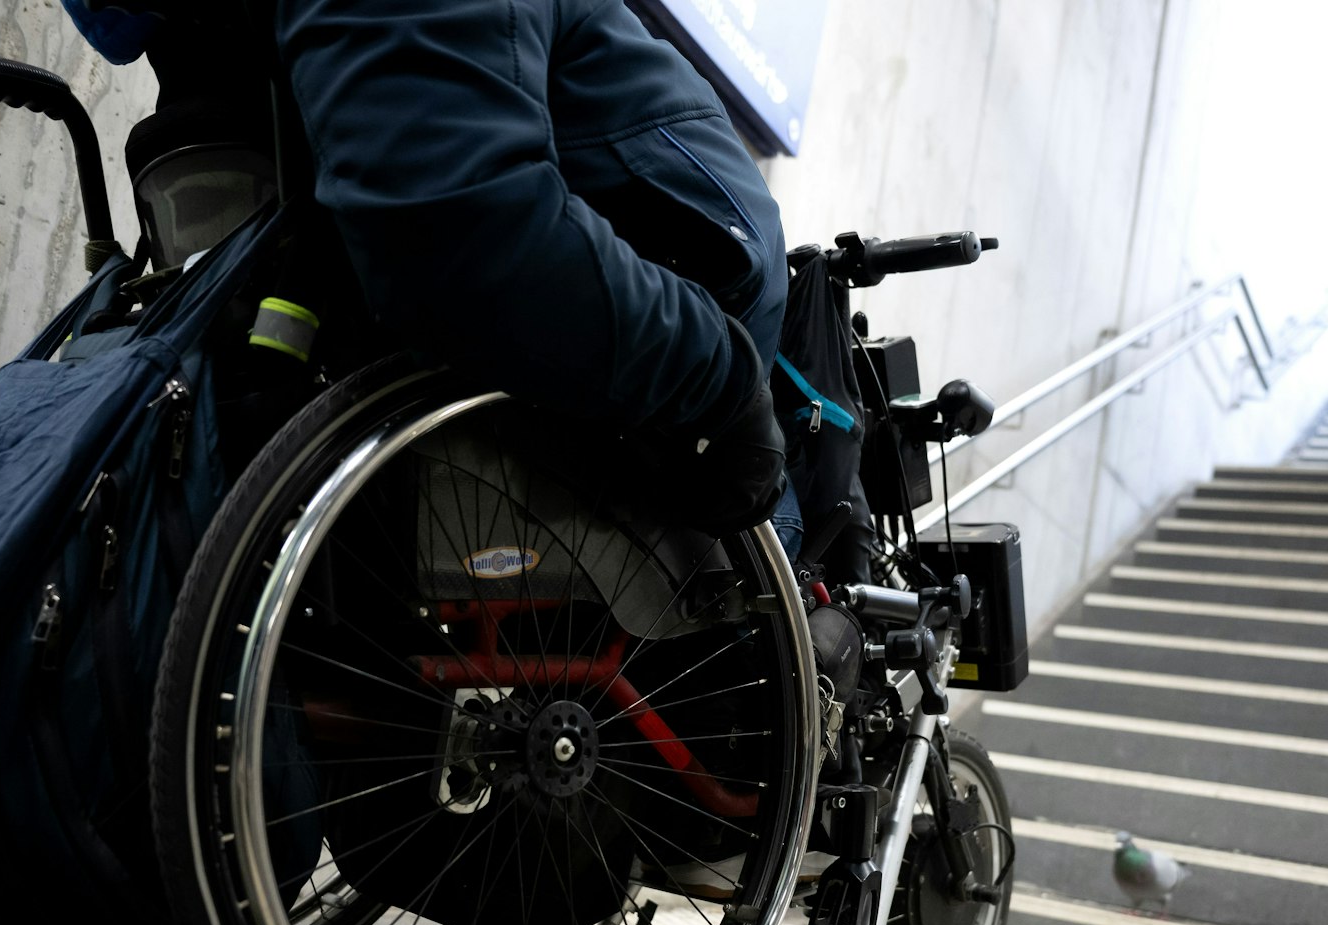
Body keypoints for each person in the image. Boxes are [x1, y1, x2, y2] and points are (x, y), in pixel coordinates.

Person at [64, 0, 789, 536]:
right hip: (635, 364)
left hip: (693, 325)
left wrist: (722, 380)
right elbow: (455, 233)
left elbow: (463, 228)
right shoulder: (209, 34)